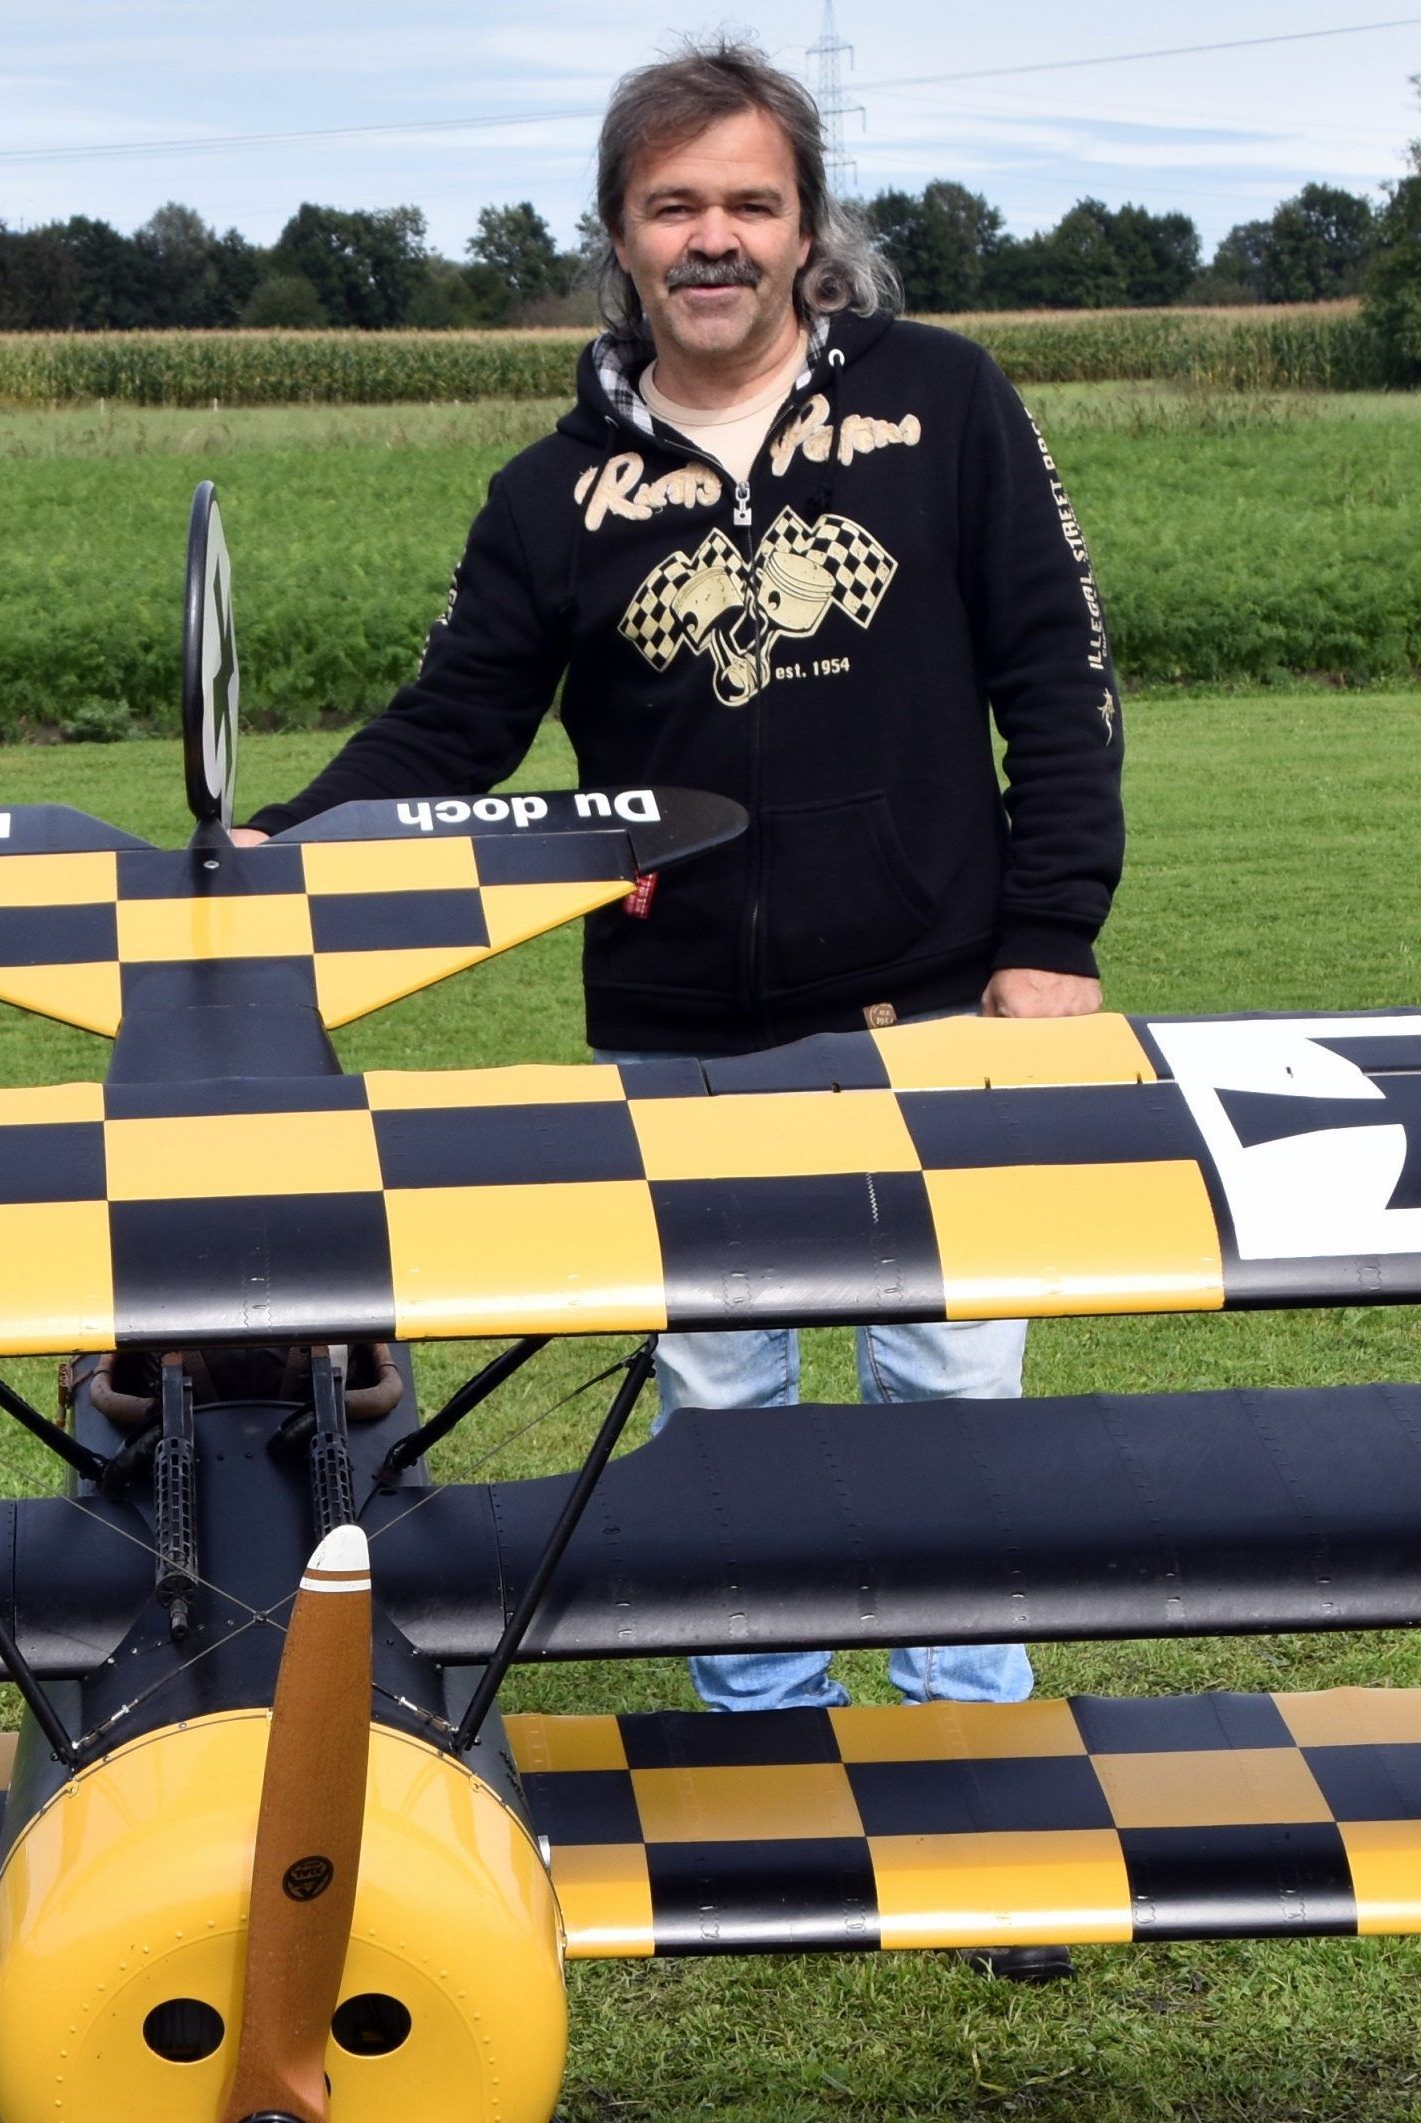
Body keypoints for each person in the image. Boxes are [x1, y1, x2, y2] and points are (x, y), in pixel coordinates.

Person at [236, 42, 1122, 1776]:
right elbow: (453, 726)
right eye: (674, 207)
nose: (711, 238)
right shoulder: (547, 495)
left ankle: (972, 1753)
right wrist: (289, 837)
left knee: (947, 1388)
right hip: (676, 1023)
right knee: (721, 1395)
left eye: (747, 203)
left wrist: (1049, 939)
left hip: (936, 997)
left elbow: (1056, 670)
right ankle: (762, 1752)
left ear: (805, 230)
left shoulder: (943, 403)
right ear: (620, 236)